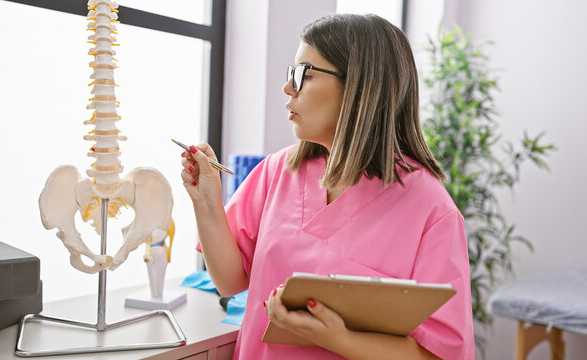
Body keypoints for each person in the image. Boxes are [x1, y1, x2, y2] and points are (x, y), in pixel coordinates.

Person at [179, 13, 474, 360]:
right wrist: (207, 201)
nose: (288, 88)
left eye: (303, 74)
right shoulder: (278, 171)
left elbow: (442, 355)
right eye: (291, 74)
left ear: (361, 90)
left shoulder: (431, 210)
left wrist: (339, 339)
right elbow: (230, 281)